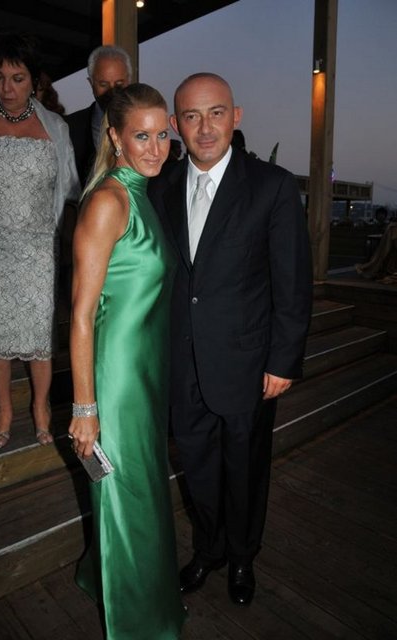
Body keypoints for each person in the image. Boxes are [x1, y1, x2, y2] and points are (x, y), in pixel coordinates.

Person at [148, 72, 313, 606]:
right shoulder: (159, 187)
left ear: (235, 116)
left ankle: (242, 557)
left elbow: (293, 282)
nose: (204, 127)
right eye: (191, 116)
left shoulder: (272, 186)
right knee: (196, 468)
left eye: (216, 113)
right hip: (183, 364)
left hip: (247, 363)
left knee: (244, 469)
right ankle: (210, 549)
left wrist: (283, 360)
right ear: (175, 125)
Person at [68, 83, 186, 639]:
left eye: (162, 135)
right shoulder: (108, 202)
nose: (156, 148)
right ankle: (140, 625)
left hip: (144, 376)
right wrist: (85, 408)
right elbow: (80, 316)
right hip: (115, 383)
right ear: (115, 137)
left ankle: (110, 580)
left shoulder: (142, 194)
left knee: (139, 491)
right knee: (128, 496)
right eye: (142, 136)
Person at [0, 32, 80, 448]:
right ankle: (4, 407)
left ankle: (40, 405)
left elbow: (70, 188)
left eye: (17, 78)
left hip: (37, 249)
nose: (7, 88)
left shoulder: (55, 127)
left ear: (34, 80)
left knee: (38, 334)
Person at [65, 44, 132, 187]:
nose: (112, 92)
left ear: (129, 80)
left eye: (119, 84)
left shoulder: (145, 123)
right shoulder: (69, 128)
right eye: (104, 84)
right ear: (91, 83)